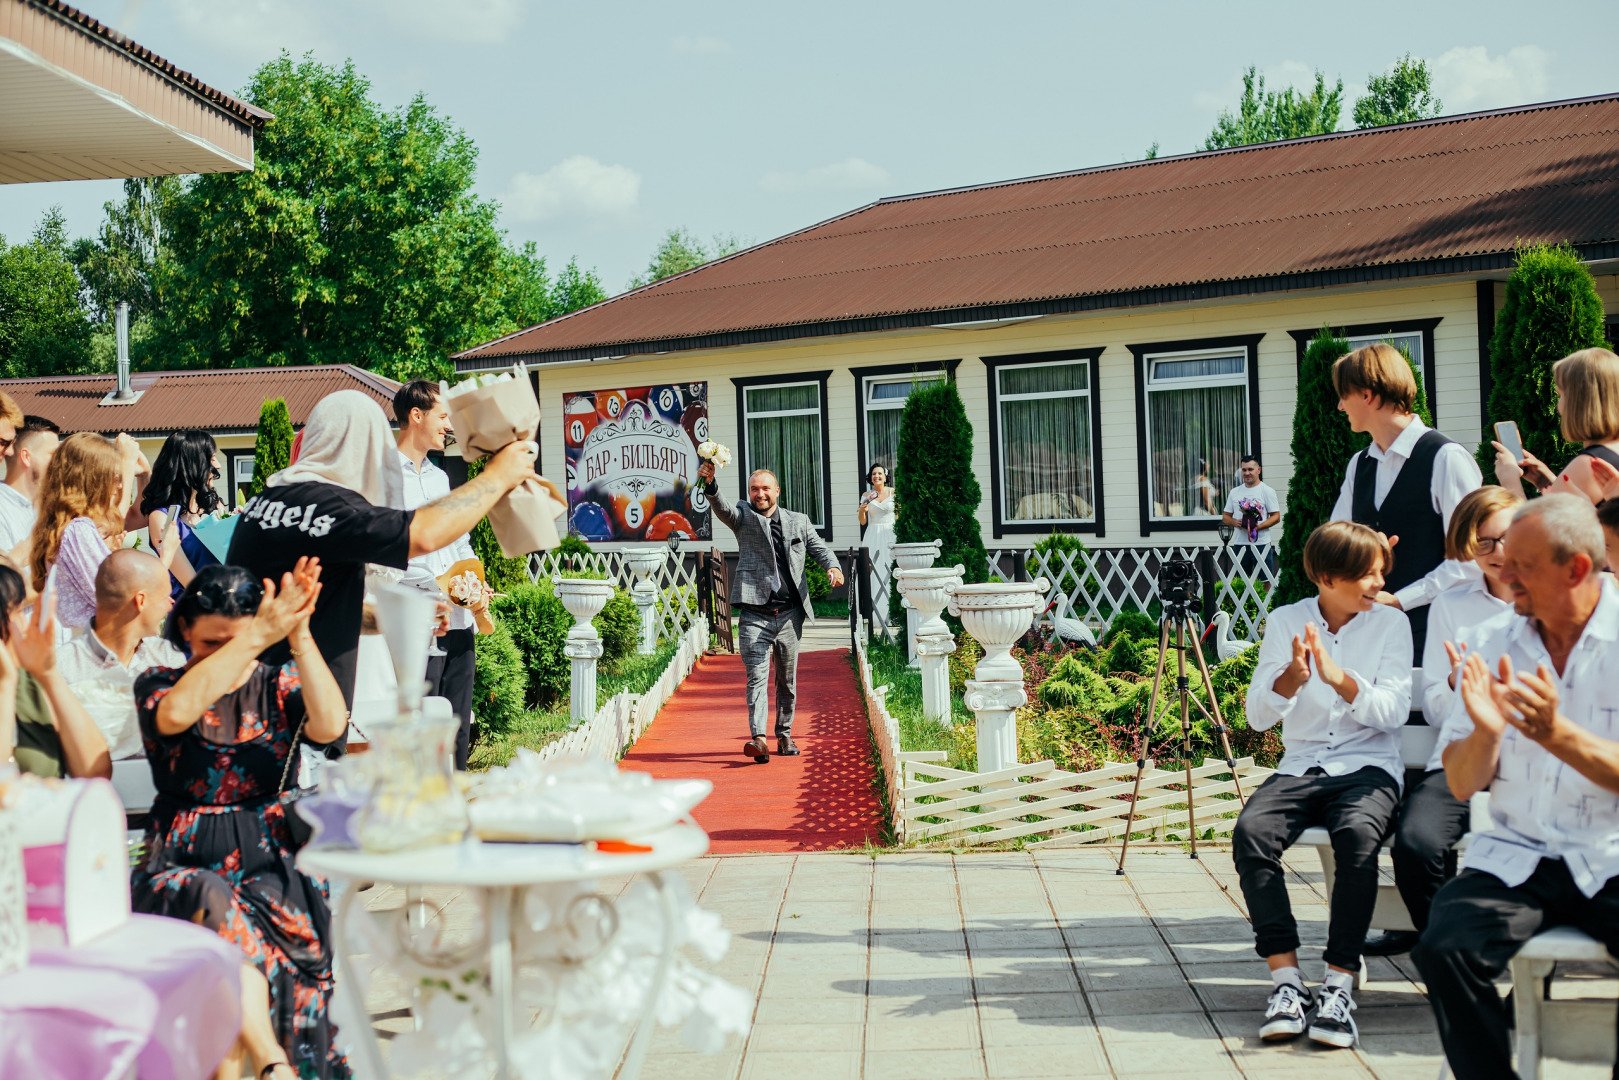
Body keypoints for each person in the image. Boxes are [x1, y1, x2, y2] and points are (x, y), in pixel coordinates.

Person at [1411, 495, 1619, 1080]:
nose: (1505, 573)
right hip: (1515, 854)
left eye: (1524, 564)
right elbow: (1459, 783)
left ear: (1577, 568)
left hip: (1611, 854)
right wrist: (1486, 730)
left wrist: (1556, 735)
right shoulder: (1491, 641)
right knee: (1443, 948)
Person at [133, 560, 349, 1079]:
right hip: (179, 861)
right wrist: (253, 638)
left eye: (238, 640)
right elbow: (175, 716)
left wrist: (298, 634)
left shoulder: (278, 685)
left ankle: (270, 1065)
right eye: (212, 642)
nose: (225, 654)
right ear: (185, 630)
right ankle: (274, 1063)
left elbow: (330, 725)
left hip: (271, 862)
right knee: (213, 901)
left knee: (233, 950)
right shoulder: (159, 683)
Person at [227, 390, 557, 710]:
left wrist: (402, 617)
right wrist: (497, 477)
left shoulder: (267, 500)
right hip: (295, 708)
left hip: (248, 693)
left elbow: (321, 607)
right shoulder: (333, 508)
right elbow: (423, 534)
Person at [1233, 521, 1412, 1050]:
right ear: (1329, 577)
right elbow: (1258, 715)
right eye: (1369, 575)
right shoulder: (1286, 620)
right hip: (1302, 765)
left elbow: (1394, 711)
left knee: (1357, 837)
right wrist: (1293, 676)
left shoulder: (1390, 624)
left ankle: (1339, 985)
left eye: (1381, 572)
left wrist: (1339, 679)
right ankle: (1287, 981)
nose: (1380, 584)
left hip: (1368, 766)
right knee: (1251, 834)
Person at [1362, 485, 1522, 957]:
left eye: (1507, 537)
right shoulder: (1453, 605)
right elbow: (1432, 703)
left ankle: (1496, 959)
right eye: (1483, 542)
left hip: (1533, 760)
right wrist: (1455, 684)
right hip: (1462, 753)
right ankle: (1452, 950)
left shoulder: (1554, 598)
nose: (1498, 552)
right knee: (1415, 844)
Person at [1329, 343, 1482, 658]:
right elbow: (1335, 542)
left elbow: (1471, 559)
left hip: (1436, 639)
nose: (1340, 407)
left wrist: (1401, 600)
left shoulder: (1446, 458)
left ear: (1368, 396)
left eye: (1344, 395)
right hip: (1370, 639)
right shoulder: (1359, 465)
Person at [696, 460, 844, 762]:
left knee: (786, 681)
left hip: (789, 616)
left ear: (777, 491)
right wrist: (710, 485)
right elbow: (723, 509)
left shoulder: (799, 521)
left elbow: (820, 550)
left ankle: (785, 734)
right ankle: (759, 739)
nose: (759, 494)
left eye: (765, 488)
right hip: (754, 616)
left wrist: (833, 567)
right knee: (756, 678)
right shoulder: (744, 517)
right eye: (754, 489)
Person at [393, 380, 488, 769]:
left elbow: (459, 540)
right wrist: (438, 585)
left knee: (457, 722)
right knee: (424, 722)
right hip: (420, 618)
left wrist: (474, 579)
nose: (449, 425)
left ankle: (458, 794)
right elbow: (389, 550)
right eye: (443, 415)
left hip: (460, 615)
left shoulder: (440, 477)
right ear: (416, 416)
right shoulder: (384, 476)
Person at [56, 549, 184, 760]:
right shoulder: (61, 668)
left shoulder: (169, 658)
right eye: (165, 596)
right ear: (141, 601)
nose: (171, 605)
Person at [29, 432, 151, 632]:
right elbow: (115, 596)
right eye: (113, 476)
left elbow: (130, 516)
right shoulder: (78, 531)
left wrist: (141, 475)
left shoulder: (74, 525)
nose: (119, 484)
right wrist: (127, 464)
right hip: (86, 641)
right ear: (92, 480)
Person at [0, 561, 112, 780]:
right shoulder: (11, 682)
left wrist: (48, 674)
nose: (24, 623)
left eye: (22, 612)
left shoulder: (31, 683)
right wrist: (6, 685)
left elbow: (95, 771)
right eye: (18, 612)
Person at [1493, 347, 1619, 505]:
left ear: (1579, 402)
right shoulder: (1612, 453)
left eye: (1560, 395)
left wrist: (1509, 480)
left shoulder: (1590, 464)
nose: (1559, 406)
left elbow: (1534, 523)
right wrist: (1544, 481)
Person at [141, 430, 224, 599]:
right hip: (193, 607)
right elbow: (190, 582)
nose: (218, 466)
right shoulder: (163, 518)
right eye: (212, 458)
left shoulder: (213, 506)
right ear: (193, 464)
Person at [0, 415, 61, 556]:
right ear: (26, 457)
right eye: (53, 455)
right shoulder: (3, 510)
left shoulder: (51, 505)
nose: (60, 462)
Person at [856, 463, 896, 632]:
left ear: (885, 476)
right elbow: (862, 521)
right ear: (870, 477)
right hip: (873, 534)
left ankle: (893, 612)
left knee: (891, 568)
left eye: (880, 473)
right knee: (873, 570)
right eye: (873, 474)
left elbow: (899, 515)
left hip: (890, 533)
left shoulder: (893, 493)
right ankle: (871, 612)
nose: (876, 476)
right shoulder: (867, 495)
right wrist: (862, 509)